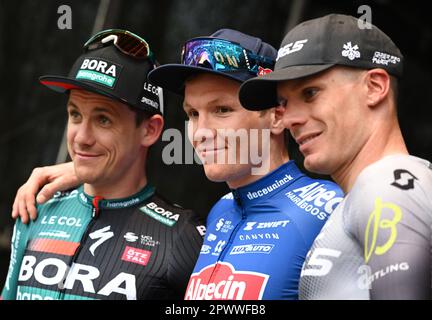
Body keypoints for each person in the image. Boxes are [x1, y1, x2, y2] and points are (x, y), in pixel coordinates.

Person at [11, 29, 344, 300]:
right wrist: (87, 171)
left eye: (222, 110)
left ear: (276, 116)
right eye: (192, 114)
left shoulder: (330, 208)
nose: (201, 133)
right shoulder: (221, 213)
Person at [239, 14, 432, 299]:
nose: (290, 119)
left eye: (310, 93)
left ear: (375, 87)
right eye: (284, 103)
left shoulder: (387, 186)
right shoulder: (367, 194)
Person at [2, 29, 204, 300]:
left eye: (103, 120)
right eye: (75, 115)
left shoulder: (181, 237)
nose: (82, 138)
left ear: (150, 130)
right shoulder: (38, 207)